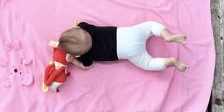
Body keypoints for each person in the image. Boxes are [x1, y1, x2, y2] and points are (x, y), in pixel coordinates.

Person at [56, 21, 188, 71]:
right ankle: (168, 36)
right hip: (129, 34)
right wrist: (73, 30)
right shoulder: (86, 27)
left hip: (128, 52)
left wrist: (74, 60)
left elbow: (85, 67)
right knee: (151, 26)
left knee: (148, 64)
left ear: (79, 54)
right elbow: (77, 24)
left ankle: (170, 62)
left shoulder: (86, 56)